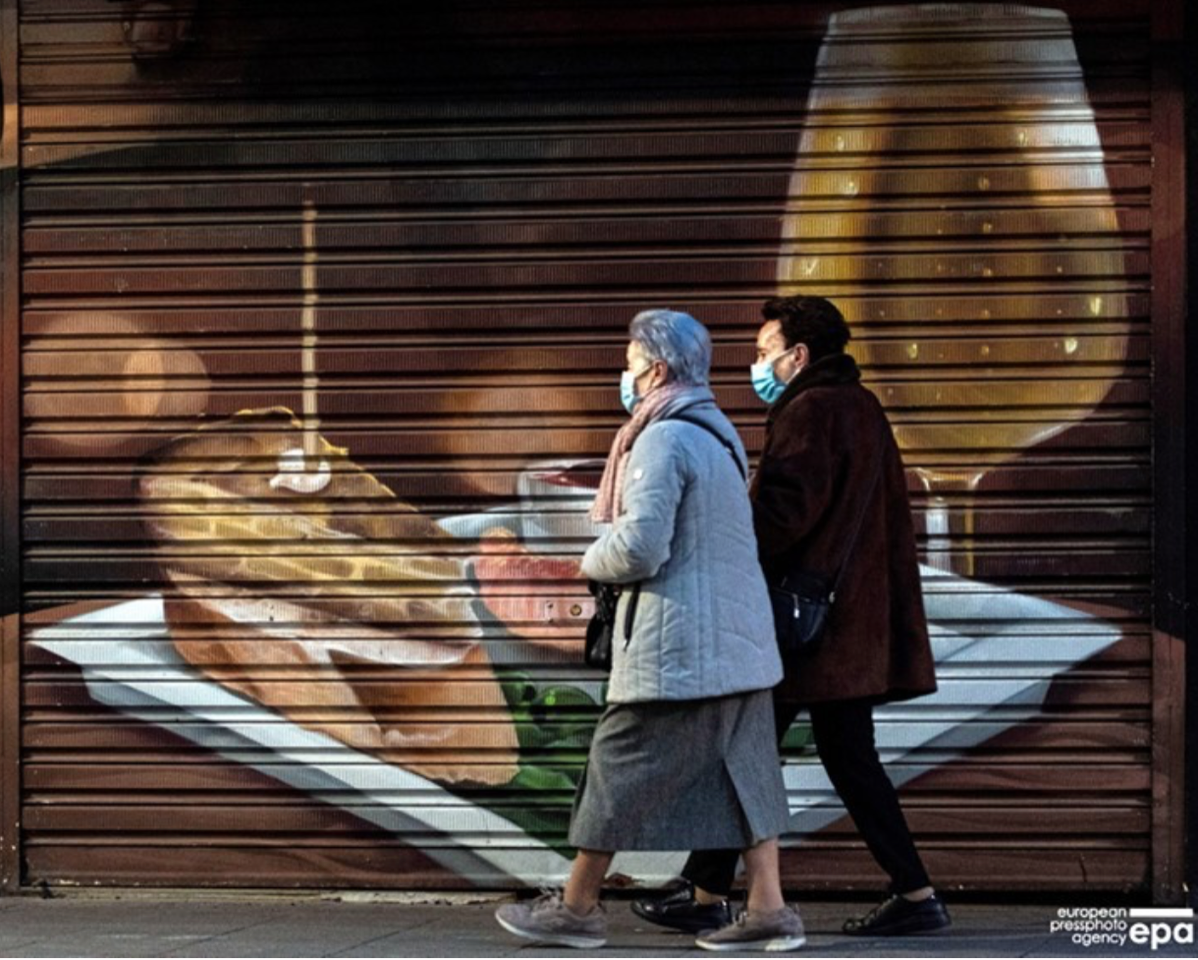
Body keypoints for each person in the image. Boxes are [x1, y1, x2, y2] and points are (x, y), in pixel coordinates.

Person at [632, 295, 951, 937]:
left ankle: (713, 893)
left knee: (748, 748)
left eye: (763, 351)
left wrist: (721, 527)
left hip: (805, 629)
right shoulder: (860, 406)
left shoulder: (809, 410)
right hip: (848, 621)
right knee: (816, 753)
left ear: (798, 354)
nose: (758, 363)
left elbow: (782, 517)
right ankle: (711, 888)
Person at [494, 309, 805, 951]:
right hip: (740, 641)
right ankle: (769, 909)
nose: (626, 373)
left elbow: (639, 548)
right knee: (748, 773)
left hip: (679, 645)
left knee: (616, 766)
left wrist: (585, 559)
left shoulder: (661, 439)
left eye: (632, 361)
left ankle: (577, 907)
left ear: (657, 369)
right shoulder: (717, 435)